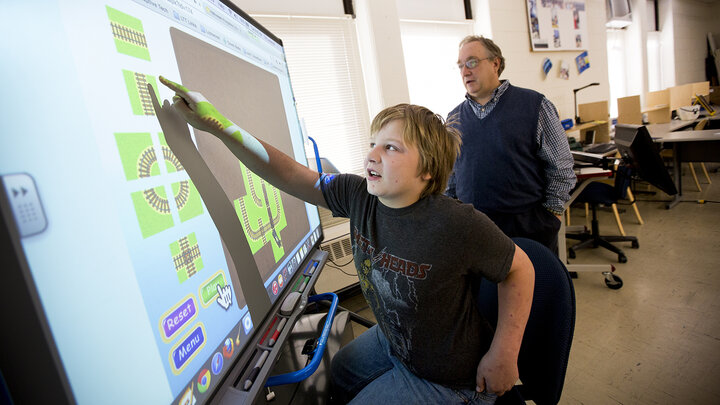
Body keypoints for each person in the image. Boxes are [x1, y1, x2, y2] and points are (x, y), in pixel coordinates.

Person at [156, 76, 534, 404]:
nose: (371, 154)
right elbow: (289, 174)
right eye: (373, 143)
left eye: (391, 148)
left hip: (450, 378)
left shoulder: (456, 224)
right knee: (339, 373)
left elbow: (521, 269)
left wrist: (504, 352)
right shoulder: (359, 196)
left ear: (428, 170)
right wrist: (222, 127)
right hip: (398, 343)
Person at [447, 35, 576, 253]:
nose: (465, 71)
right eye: (460, 66)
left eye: (472, 62)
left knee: (536, 286)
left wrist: (550, 216)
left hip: (528, 228)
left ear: (495, 63)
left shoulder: (535, 106)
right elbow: (450, 177)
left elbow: (561, 166)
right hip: (474, 229)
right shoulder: (454, 118)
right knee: (484, 289)